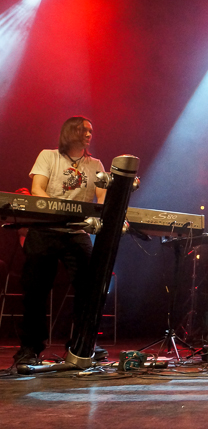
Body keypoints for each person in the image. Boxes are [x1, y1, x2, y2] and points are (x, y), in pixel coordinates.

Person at [13, 116, 107, 366]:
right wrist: (60, 212)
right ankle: (30, 347)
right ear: (69, 132)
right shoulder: (48, 156)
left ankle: (83, 344)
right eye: (84, 130)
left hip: (78, 232)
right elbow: (38, 189)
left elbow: (102, 196)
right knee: (35, 291)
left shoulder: (96, 164)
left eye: (91, 130)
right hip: (45, 230)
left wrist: (107, 205)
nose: (89, 134)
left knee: (90, 289)